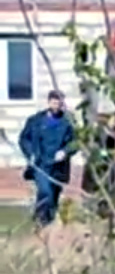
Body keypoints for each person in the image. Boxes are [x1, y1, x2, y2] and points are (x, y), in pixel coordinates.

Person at [18, 89, 76, 229]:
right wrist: (30, 153)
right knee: (45, 191)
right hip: (40, 164)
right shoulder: (36, 120)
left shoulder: (68, 122)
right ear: (49, 102)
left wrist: (65, 151)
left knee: (54, 196)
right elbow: (24, 138)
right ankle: (41, 222)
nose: (57, 105)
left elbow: (76, 142)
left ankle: (46, 223)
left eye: (59, 102)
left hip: (58, 166)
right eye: (54, 102)